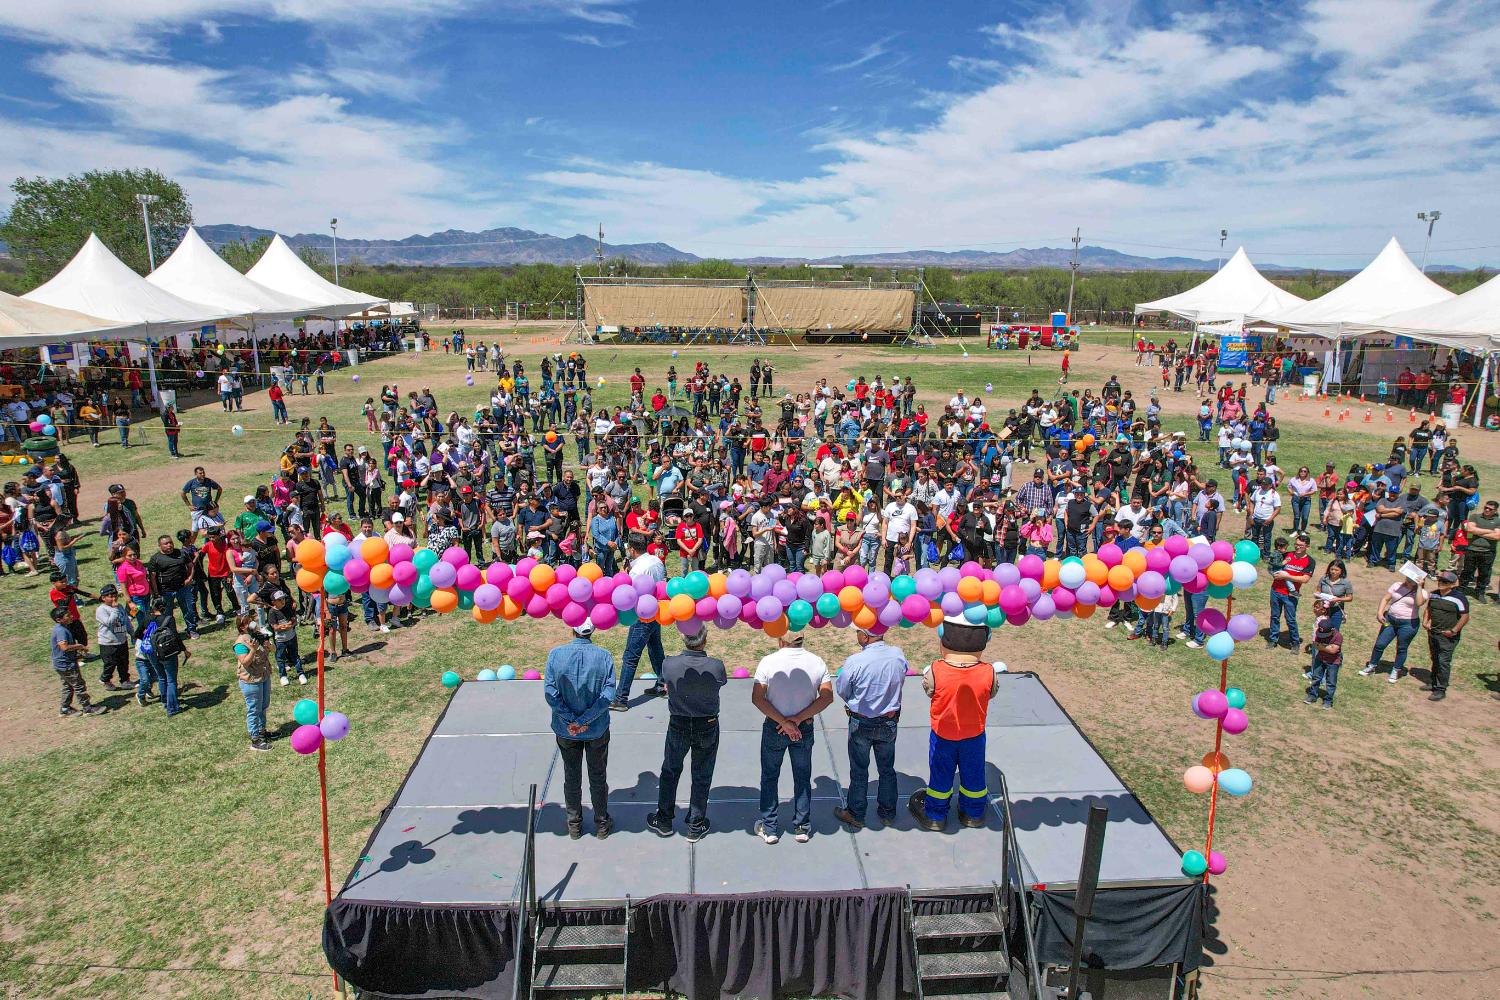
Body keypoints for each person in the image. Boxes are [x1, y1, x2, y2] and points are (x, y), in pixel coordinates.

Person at [909, 614, 999, 832]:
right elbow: (992, 692)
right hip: (974, 735)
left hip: (943, 735)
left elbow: (929, 690)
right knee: (974, 773)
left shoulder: (936, 670)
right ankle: (973, 813)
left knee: (940, 773)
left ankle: (935, 815)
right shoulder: (989, 671)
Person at [645, 622, 726, 842]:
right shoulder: (716, 666)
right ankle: (695, 825)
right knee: (702, 775)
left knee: (670, 771)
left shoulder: (669, 664)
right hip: (707, 725)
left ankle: (664, 820)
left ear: (684, 639)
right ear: (705, 640)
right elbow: (720, 683)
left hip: (679, 724)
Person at [751, 633, 832, 844]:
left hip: (774, 728)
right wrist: (798, 719)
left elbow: (757, 698)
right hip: (803, 728)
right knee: (802, 777)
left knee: (769, 777)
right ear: (803, 638)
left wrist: (784, 722)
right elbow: (827, 697)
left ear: (781, 640)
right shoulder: (817, 662)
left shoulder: (768, 662)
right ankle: (802, 827)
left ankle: (770, 829)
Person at [543, 621, 617, 839]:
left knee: (571, 776)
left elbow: (550, 693)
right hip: (596, 729)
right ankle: (601, 824)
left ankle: (574, 825)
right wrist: (585, 721)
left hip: (567, 730)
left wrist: (572, 721)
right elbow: (608, 695)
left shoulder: (556, 655)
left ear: (572, 629)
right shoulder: (604, 656)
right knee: (598, 775)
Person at [833, 626, 908, 829]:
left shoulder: (855, 661)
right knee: (887, 769)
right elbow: (901, 678)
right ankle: (888, 813)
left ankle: (856, 814)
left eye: (857, 632)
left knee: (859, 770)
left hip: (861, 722)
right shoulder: (897, 655)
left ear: (864, 636)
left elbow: (842, 689)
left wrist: (856, 701)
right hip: (889, 721)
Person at [613, 536, 666, 709]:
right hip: (656, 610)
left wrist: (624, 573)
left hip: (641, 615)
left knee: (630, 656)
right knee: (656, 649)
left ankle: (621, 699)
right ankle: (662, 685)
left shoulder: (636, 571)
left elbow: (629, 595)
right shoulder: (656, 561)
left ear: (632, 550)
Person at [1358, 570, 1424, 683]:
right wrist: (1380, 612)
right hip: (1391, 620)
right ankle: (1372, 665)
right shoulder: (1397, 585)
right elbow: (1385, 598)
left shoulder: (1422, 593)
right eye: (1408, 578)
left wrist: (1419, 587)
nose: (1408, 580)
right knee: (1380, 644)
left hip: (1408, 624)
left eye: (1411, 579)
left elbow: (1419, 603)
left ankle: (1396, 670)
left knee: (1402, 648)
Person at [1421, 571, 1469, 702]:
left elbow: (1465, 617)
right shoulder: (1434, 594)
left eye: (1445, 582)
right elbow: (1428, 608)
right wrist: (1425, 621)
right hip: (1433, 632)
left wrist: (1454, 631)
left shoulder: (1459, 598)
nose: (1441, 583)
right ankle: (1433, 682)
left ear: (1452, 585)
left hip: (1448, 636)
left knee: (1443, 661)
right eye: (1440, 580)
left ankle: (1441, 689)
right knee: (1435, 657)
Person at [52, 605, 106, 716]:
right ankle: (87, 708)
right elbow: (64, 647)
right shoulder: (61, 630)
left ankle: (65, 708)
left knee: (68, 685)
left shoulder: (61, 628)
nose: (71, 616)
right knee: (78, 685)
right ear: (59, 620)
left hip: (61, 664)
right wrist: (79, 646)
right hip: (66, 664)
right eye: (68, 615)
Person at [142, 597, 189, 716]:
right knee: (171, 680)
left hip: (152, 653)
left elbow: (137, 633)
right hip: (167, 653)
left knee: (161, 677)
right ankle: (172, 708)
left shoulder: (147, 618)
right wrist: (184, 650)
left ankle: (165, 702)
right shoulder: (168, 619)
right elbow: (176, 637)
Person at [233, 613, 274, 751]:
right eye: (248, 622)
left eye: (252, 620)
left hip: (263, 676)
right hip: (250, 680)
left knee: (263, 705)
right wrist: (252, 650)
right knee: (254, 709)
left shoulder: (258, 635)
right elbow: (245, 661)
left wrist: (268, 645)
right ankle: (255, 739)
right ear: (242, 627)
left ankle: (262, 732)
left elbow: (273, 650)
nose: (252, 623)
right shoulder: (240, 643)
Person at [1266, 533, 1314, 650]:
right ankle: (1273, 639)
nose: (1297, 547)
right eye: (1296, 545)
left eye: (1301, 546)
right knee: (1275, 616)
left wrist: (1286, 577)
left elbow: (1305, 579)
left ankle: (1295, 642)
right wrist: (1274, 573)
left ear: (1307, 547)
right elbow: (1273, 565)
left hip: (1290, 595)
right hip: (1276, 590)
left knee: (1291, 619)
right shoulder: (1286, 554)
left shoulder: (1310, 561)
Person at [1303, 598, 1343, 709]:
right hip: (1320, 658)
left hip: (1333, 662)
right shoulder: (1320, 631)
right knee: (1316, 677)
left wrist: (1321, 647)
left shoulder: (1338, 636)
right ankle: (1312, 695)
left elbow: (1333, 650)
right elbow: (1316, 644)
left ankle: (1328, 701)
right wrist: (1325, 647)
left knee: (1330, 682)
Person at [94, 584, 134, 691]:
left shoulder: (120, 607)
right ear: (103, 598)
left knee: (124, 662)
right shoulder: (101, 610)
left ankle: (125, 680)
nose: (114, 598)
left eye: (115, 595)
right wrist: (115, 609)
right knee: (110, 664)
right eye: (110, 596)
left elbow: (126, 621)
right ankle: (105, 680)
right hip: (108, 643)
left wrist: (132, 633)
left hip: (121, 640)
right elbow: (109, 623)